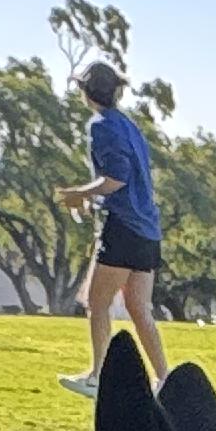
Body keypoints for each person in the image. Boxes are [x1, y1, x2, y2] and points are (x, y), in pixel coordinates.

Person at [58, 60, 168, 389]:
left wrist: (79, 194)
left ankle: (97, 378)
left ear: (86, 92)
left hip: (123, 228)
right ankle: (164, 379)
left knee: (98, 303)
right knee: (139, 308)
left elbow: (115, 179)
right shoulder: (129, 126)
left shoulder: (101, 125)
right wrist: (93, 198)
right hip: (148, 230)